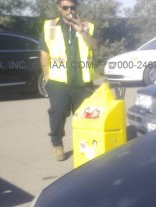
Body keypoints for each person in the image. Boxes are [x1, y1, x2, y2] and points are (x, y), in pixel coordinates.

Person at [40, 0, 98, 161]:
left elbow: (94, 47)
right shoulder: (50, 26)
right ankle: (57, 144)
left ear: (76, 8)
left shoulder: (86, 26)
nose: (69, 10)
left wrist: (82, 31)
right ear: (59, 8)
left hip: (82, 82)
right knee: (57, 114)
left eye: (72, 7)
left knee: (86, 118)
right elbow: (44, 52)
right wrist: (47, 77)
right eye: (65, 7)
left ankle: (86, 147)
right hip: (58, 82)